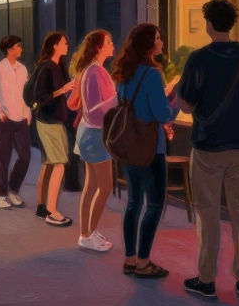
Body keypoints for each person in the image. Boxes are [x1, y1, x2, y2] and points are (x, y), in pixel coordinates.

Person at [175, 0, 239, 298]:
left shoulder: (197, 59)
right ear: (232, 24)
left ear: (209, 24)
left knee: (208, 213)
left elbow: (186, 106)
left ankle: (207, 278)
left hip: (207, 147)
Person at [113, 23, 178, 279]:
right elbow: (161, 113)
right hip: (151, 148)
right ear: (150, 44)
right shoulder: (152, 74)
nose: (162, 42)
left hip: (130, 145)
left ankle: (130, 259)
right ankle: (144, 262)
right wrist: (175, 99)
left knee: (133, 202)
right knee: (154, 203)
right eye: (159, 38)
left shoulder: (126, 72)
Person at [71, 29, 117, 252]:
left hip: (88, 133)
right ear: (99, 47)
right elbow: (94, 111)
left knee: (91, 186)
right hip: (95, 134)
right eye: (108, 42)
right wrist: (117, 100)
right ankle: (88, 234)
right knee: (105, 186)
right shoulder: (96, 72)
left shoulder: (89, 70)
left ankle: (87, 232)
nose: (112, 45)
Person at [32, 31, 76, 227]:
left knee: (50, 163)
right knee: (59, 163)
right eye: (64, 43)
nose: (67, 45)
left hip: (55, 120)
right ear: (55, 46)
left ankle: (42, 208)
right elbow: (40, 98)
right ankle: (52, 211)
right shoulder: (46, 68)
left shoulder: (59, 67)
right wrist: (63, 90)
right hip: (48, 120)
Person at [0, 35, 32, 210]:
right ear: (9, 49)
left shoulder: (23, 69)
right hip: (4, 120)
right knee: (3, 159)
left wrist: (27, 112)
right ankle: (2, 195)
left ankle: (13, 189)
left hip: (21, 119)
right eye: (18, 46)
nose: (21, 49)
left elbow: (25, 94)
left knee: (25, 157)